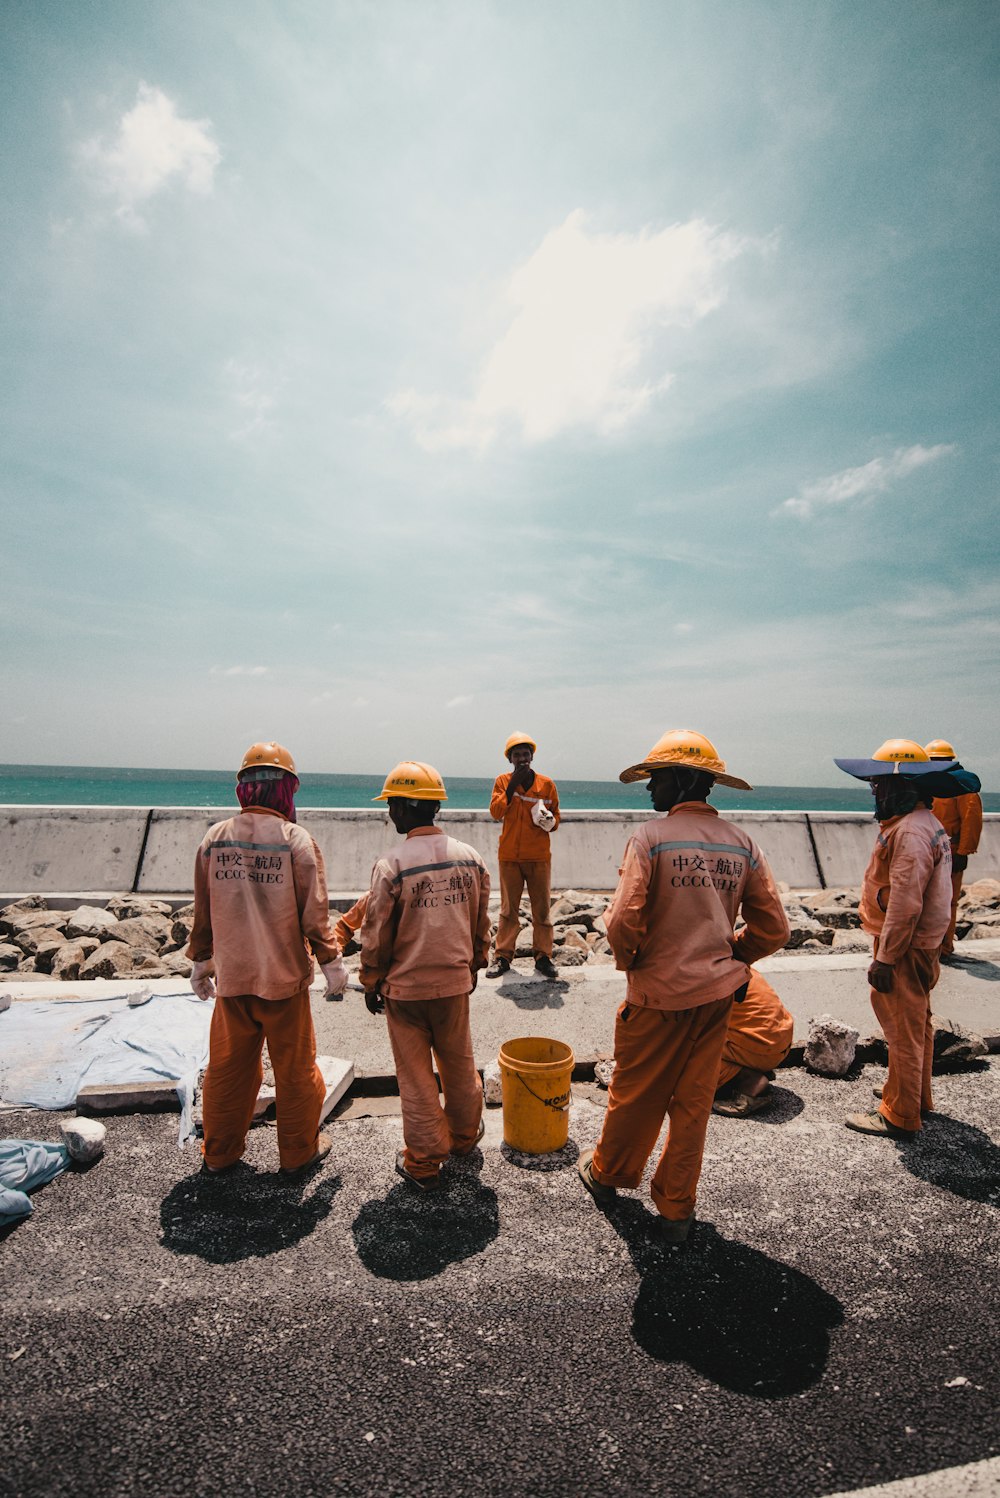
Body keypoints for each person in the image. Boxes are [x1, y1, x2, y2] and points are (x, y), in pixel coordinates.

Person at [578, 730, 790, 1242]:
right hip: (716, 996)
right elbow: (775, 928)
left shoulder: (651, 838)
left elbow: (621, 922)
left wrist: (634, 963)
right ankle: (676, 1209)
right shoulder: (743, 844)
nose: (651, 789)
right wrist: (735, 955)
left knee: (635, 1092)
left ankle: (608, 1174)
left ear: (683, 780)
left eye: (657, 778)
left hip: (659, 994)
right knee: (692, 1104)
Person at [187, 742, 348, 1177]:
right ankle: (299, 1154)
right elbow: (315, 916)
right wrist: (332, 963)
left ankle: (219, 1156)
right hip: (284, 981)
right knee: (295, 1073)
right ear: (287, 791)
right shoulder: (296, 841)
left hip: (234, 980)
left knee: (227, 1071)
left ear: (244, 788)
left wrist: (201, 961)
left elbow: (203, 911)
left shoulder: (214, 839)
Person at [834, 737, 980, 1137]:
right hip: (921, 944)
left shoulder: (911, 833)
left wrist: (885, 958)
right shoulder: (923, 825)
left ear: (901, 787)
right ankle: (915, 1097)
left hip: (905, 946)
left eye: (879, 784)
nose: (874, 791)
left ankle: (899, 1115)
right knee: (917, 1024)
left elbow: (905, 902)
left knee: (902, 1028)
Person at [360, 760, 491, 1191]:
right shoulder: (470, 858)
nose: (390, 813)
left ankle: (423, 1162)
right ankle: (465, 1137)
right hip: (454, 986)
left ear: (406, 806)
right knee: (459, 1064)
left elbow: (376, 933)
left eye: (393, 805)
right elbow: (480, 924)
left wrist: (371, 979)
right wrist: (475, 963)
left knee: (416, 1078)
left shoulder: (391, 864)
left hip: (406, 991)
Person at [487, 732, 561, 980]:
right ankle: (502, 957)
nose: (522, 758)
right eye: (516, 754)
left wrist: (549, 820)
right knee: (509, 910)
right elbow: (496, 812)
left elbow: (556, 819)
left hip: (538, 857)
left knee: (542, 911)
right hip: (510, 857)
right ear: (510, 758)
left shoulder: (546, 785)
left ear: (532, 756)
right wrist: (510, 786)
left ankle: (543, 957)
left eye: (525, 754)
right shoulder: (502, 781)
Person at [925, 739, 984, 962]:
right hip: (934, 849)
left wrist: (964, 852)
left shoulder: (962, 785)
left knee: (946, 901)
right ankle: (932, 945)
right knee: (931, 899)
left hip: (951, 850)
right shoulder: (930, 783)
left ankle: (943, 946)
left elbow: (971, 820)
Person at [712, 969, 794, 1118]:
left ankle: (746, 1080)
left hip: (759, 1045)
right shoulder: (729, 959)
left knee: (680, 1049)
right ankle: (745, 1068)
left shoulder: (697, 971)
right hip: (776, 1040)